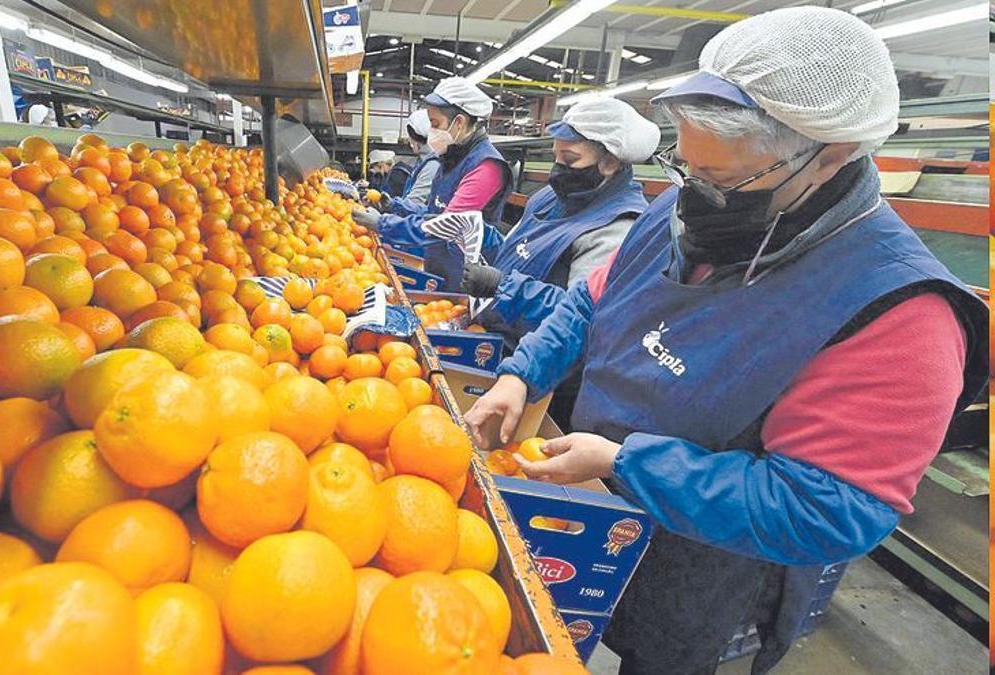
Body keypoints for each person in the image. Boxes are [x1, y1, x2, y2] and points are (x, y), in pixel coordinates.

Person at [463, 7, 987, 674]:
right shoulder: (682, 209)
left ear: (831, 155)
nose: (694, 194)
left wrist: (626, 463)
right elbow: (596, 298)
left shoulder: (899, 313)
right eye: (688, 168)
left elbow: (827, 507)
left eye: (722, 179)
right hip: (589, 508)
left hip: (701, 568)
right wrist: (523, 372)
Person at [462, 96, 659, 344]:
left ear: (610, 163)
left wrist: (503, 286)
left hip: (529, 353)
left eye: (570, 160)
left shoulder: (615, 228)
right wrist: (483, 236)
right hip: (493, 332)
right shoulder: (551, 196)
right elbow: (521, 248)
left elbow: (578, 313)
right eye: (555, 157)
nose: (556, 170)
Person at [354, 77, 513, 291]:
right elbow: (434, 211)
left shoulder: (486, 167)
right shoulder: (452, 159)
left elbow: (446, 226)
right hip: (441, 267)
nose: (430, 131)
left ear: (459, 122)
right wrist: (394, 206)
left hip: (465, 279)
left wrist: (383, 224)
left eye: (435, 123)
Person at [384, 109, 441, 216]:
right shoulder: (424, 162)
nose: (408, 141)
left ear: (415, 138)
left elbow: (414, 202)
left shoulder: (432, 165)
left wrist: (389, 208)